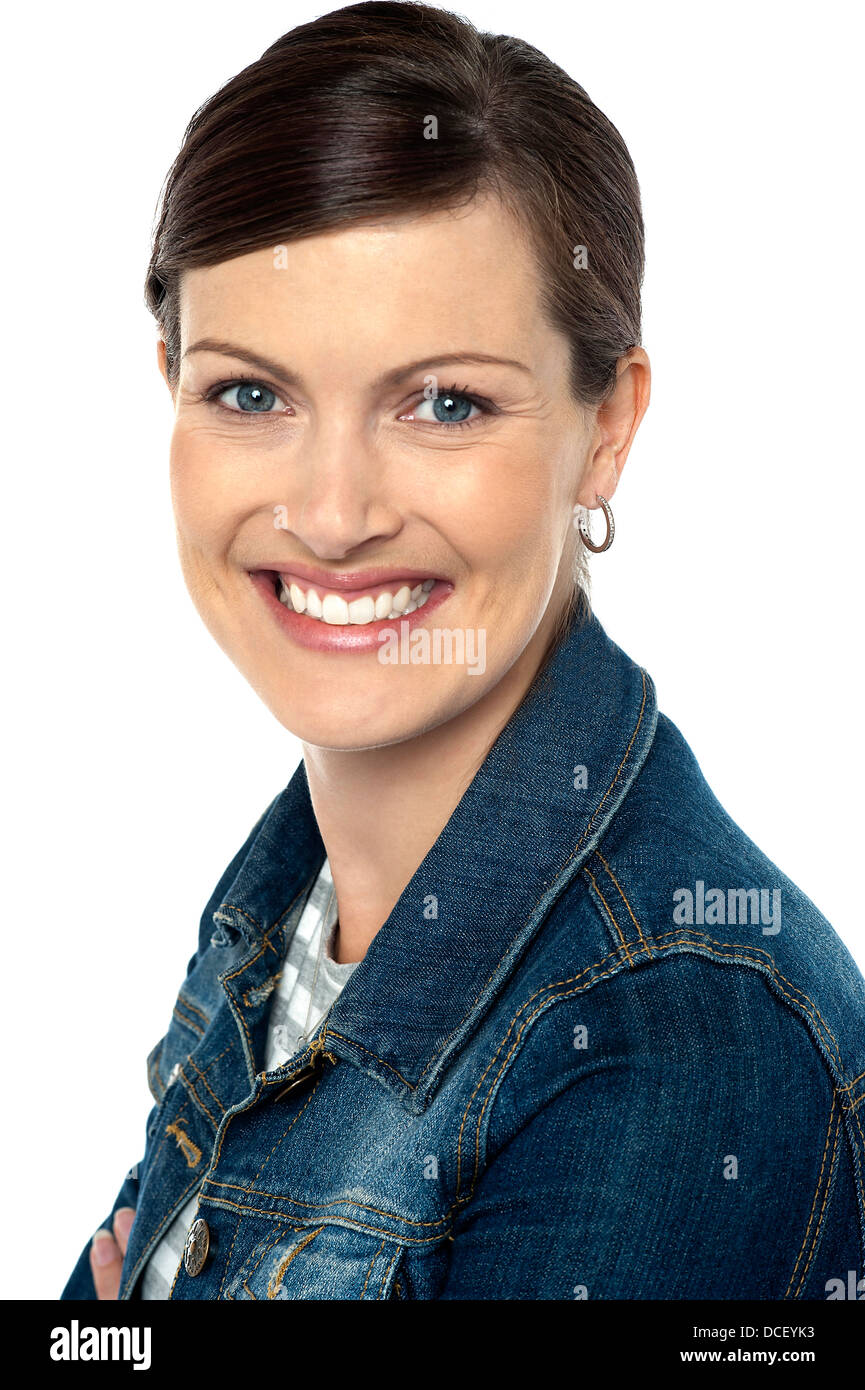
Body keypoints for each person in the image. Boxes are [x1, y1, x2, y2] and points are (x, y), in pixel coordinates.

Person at [61, 0, 865, 1300]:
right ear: (170, 386)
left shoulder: (672, 1037)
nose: (329, 513)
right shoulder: (291, 907)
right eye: (249, 393)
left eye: (444, 402)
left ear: (605, 428)